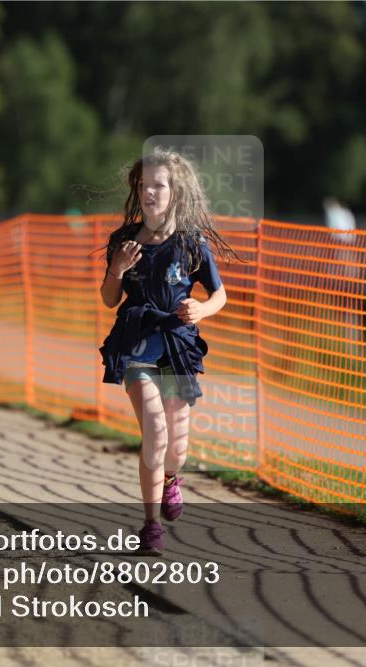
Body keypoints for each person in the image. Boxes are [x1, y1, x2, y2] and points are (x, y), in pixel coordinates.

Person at [98, 148, 238, 555]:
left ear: (175, 191)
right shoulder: (123, 242)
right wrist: (117, 269)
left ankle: (171, 479)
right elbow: (109, 299)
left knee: (176, 449)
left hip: (178, 347)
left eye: (158, 185)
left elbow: (219, 294)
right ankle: (150, 526)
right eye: (144, 185)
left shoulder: (192, 243)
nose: (149, 193)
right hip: (137, 345)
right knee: (155, 434)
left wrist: (202, 309)